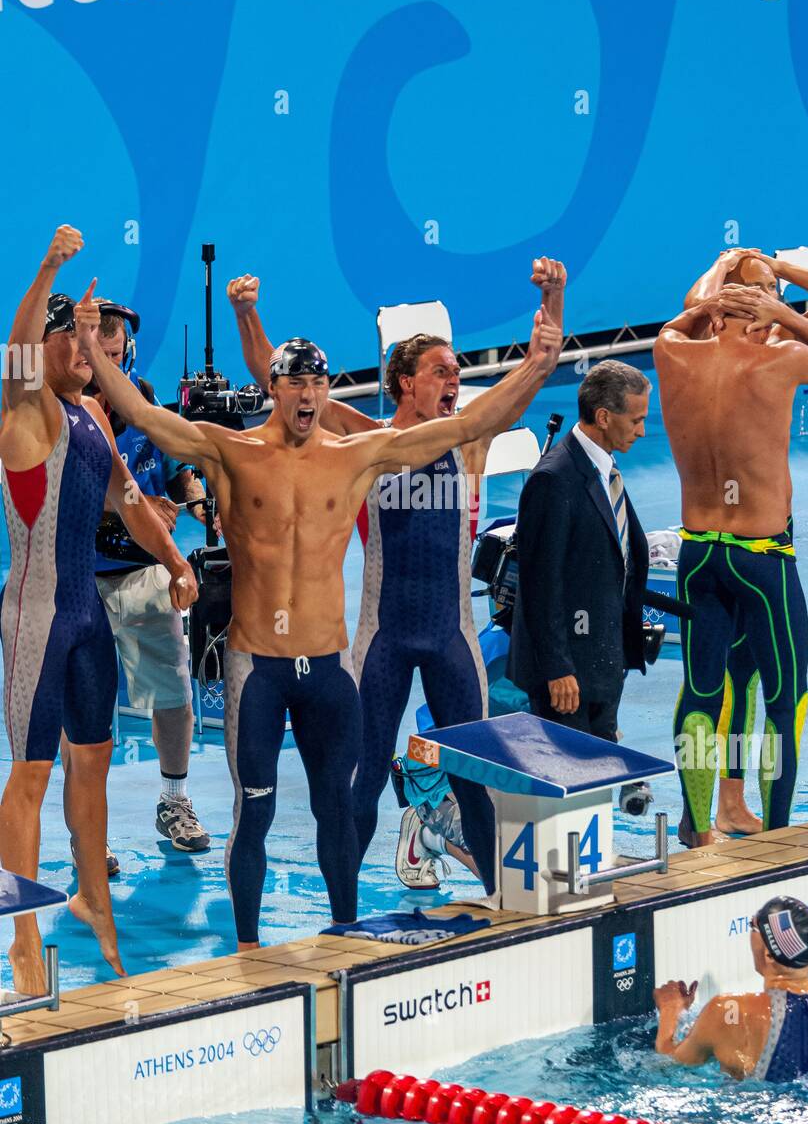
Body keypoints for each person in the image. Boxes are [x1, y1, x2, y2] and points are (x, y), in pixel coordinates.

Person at [75, 278, 563, 948]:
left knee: (343, 803)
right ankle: (248, 951)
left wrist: (539, 359)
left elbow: (473, 423)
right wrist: (94, 352)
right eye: (296, 385)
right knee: (257, 813)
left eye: (319, 385)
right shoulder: (235, 452)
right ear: (277, 389)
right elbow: (149, 417)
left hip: (331, 667)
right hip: (263, 666)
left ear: (329, 389)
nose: (308, 397)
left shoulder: (357, 455)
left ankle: (346, 936)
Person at [228, 260, 566, 897]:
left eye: (456, 369)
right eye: (441, 370)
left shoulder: (468, 443)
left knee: (474, 775)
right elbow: (274, 378)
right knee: (362, 780)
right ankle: (345, 918)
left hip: (450, 637)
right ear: (405, 382)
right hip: (381, 639)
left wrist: (554, 297)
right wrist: (248, 314)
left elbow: (534, 371)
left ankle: (503, 903)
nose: (455, 378)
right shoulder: (366, 443)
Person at [0, 229, 198, 992]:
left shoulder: (91, 417)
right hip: (37, 616)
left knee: (95, 763)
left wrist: (178, 562)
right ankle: (20, 936)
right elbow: (15, 353)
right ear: (45, 346)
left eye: (91, 339)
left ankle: (89, 891)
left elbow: (130, 500)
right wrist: (48, 267)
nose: (86, 349)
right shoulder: (26, 410)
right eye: (72, 337)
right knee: (30, 775)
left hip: (88, 617)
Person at [655, 269, 808, 847]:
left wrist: (724, 290)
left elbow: (681, 317)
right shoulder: (782, 357)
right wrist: (784, 314)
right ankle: (779, 838)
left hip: (698, 555)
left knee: (700, 691)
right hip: (762, 561)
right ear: (761, 309)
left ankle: (698, 826)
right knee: (784, 698)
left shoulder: (673, 353)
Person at [59, 302, 211, 868]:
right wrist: (142, 511)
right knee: (82, 709)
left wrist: (195, 501)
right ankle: (85, 833)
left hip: (143, 572)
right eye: (93, 353)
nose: (102, 365)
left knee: (172, 691)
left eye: (113, 355)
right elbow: (107, 496)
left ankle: (174, 800)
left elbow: (177, 473)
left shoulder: (145, 406)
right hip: (77, 577)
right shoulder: (58, 410)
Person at [507, 360, 650, 741]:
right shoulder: (553, 479)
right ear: (603, 417)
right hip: (568, 674)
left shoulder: (604, 469)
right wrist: (557, 668)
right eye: (635, 420)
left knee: (600, 777)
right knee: (572, 786)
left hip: (603, 659)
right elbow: (539, 584)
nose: (642, 430)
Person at [654, 895, 808, 1080]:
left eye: (753, 926)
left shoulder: (730, 1010)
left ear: (768, 954)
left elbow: (671, 1062)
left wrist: (670, 1010)